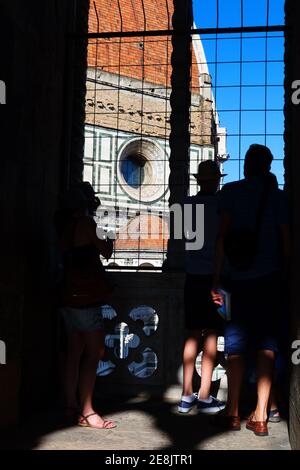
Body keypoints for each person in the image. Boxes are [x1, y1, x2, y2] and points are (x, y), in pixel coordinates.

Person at [212, 144, 291, 436]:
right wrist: (285, 278)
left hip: (234, 282)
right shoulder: (279, 199)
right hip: (269, 280)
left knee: (234, 347)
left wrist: (215, 279)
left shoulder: (230, 193)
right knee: (267, 347)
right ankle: (260, 415)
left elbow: (221, 238)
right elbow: (286, 243)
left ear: (246, 165)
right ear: (269, 166)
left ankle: (232, 412)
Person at [55, 182, 116, 429]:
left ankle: (70, 404)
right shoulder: (87, 224)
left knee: (74, 352)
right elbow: (106, 251)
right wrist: (107, 236)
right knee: (94, 354)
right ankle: (88, 411)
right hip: (85, 298)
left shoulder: (61, 226)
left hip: (65, 296)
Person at [178, 160, 226, 414]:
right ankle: (205, 395)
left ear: (198, 180)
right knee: (211, 335)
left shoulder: (184, 205)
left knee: (192, 333)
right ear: (217, 180)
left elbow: (179, 240)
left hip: (191, 276)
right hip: (214, 277)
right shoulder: (221, 206)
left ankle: (186, 395)